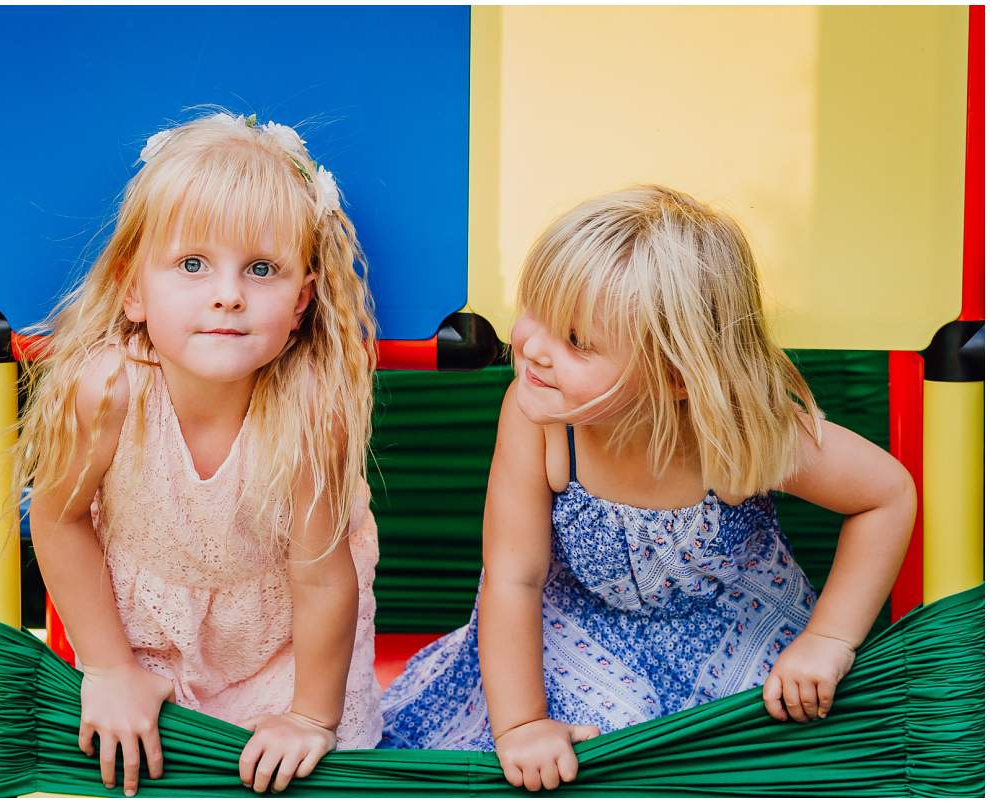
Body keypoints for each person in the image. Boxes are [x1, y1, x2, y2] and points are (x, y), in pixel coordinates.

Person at [379, 185, 916, 792]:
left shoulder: (737, 427)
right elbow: (512, 577)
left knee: (770, 754)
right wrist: (523, 724)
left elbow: (886, 494)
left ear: (678, 376)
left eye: (576, 341)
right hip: (581, 626)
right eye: (535, 308)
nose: (530, 346)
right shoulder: (539, 419)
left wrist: (828, 640)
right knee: (582, 758)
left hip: (732, 632)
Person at [16, 111, 382, 796]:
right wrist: (108, 668)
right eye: (192, 264)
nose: (227, 294)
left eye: (261, 269)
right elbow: (59, 517)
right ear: (132, 289)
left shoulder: (309, 410)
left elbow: (324, 580)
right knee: (126, 769)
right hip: (144, 640)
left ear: (301, 301)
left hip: (285, 650)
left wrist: (309, 715)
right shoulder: (109, 390)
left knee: (300, 774)